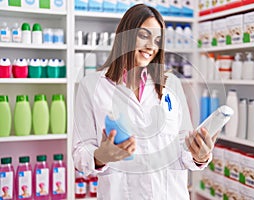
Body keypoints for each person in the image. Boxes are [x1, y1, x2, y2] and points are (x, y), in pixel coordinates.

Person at [72, 4, 217, 199]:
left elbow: (184, 145)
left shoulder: (171, 84)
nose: (151, 46)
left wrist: (199, 156)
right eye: (144, 36)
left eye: (157, 40)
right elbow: (80, 152)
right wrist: (100, 156)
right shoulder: (91, 85)